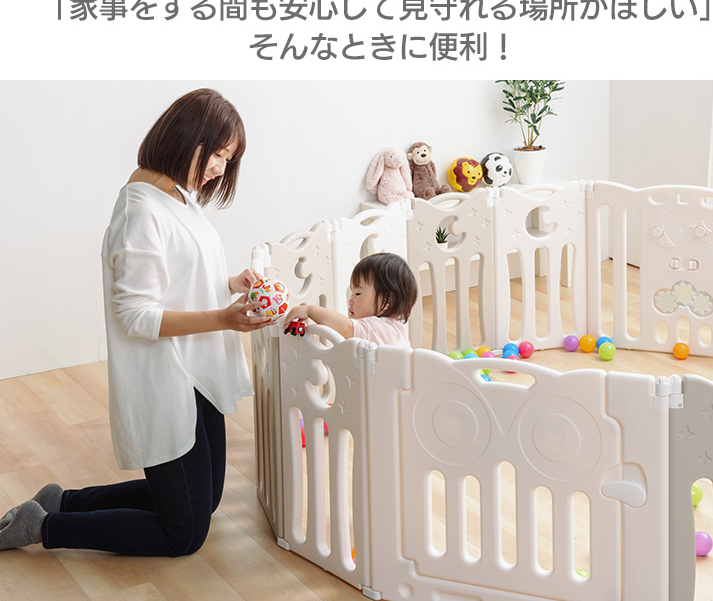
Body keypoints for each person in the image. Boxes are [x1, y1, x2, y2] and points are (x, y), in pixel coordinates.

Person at [0, 88, 276, 555]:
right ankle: (44, 527)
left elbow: (176, 279)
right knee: (183, 534)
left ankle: (61, 502)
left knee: (204, 503)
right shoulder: (141, 209)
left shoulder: (178, 195)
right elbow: (136, 314)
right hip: (168, 377)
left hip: (197, 369)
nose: (219, 169)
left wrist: (230, 284)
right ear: (186, 136)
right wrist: (223, 318)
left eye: (228, 160)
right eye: (217, 154)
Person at [283, 252, 418, 348]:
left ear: (386, 301)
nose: (350, 301)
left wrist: (310, 310)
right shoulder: (395, 328)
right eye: (352, 294)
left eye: (357, 294)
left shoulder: (378, 327)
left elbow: (346, 327)